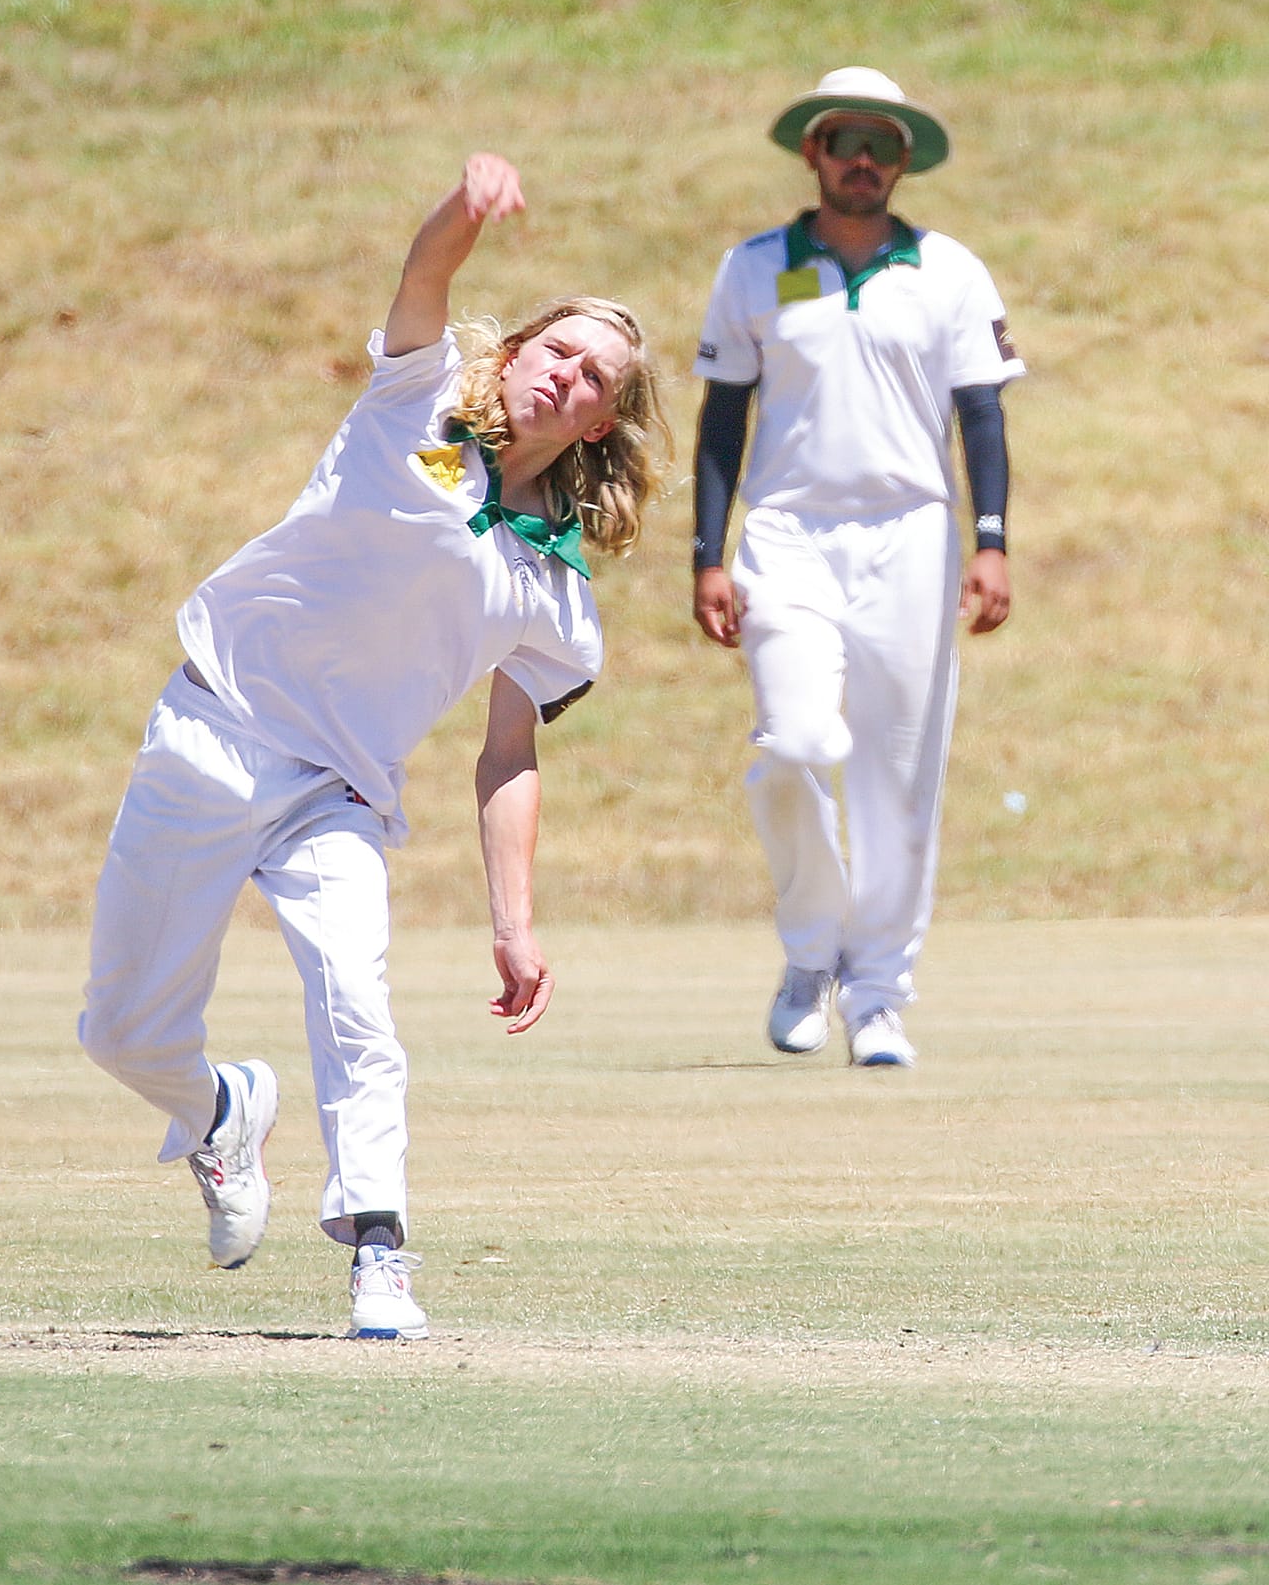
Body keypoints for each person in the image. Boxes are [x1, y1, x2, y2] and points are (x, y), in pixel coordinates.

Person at [80, 154, 668, 1339]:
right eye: (559, 348)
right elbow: (424, 272)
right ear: (515, 354)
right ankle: (219, 1114)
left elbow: (506, 755)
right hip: (214, 726)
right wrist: (464, 208)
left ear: (603, 416)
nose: (568, 375)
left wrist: (513, 920)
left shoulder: (554, 586)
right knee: (123, 1031)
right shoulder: (416, 400)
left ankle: (379, 1253)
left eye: (595, 375)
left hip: (335, 789)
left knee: (355, 999)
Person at [690, 67, 1022, 1069]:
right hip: (785, 534)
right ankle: (809, 958)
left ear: (902, 160)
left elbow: (981, 414)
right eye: (845, 142)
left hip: (910, 536)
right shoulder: (753, 268)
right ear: (812, 154)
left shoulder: (949, 270)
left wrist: (991, 539)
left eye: (881, 144)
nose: (862, 160)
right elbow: (720, 419)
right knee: (791, 743)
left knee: (896, 776)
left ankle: (876, 995)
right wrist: (706, 554)